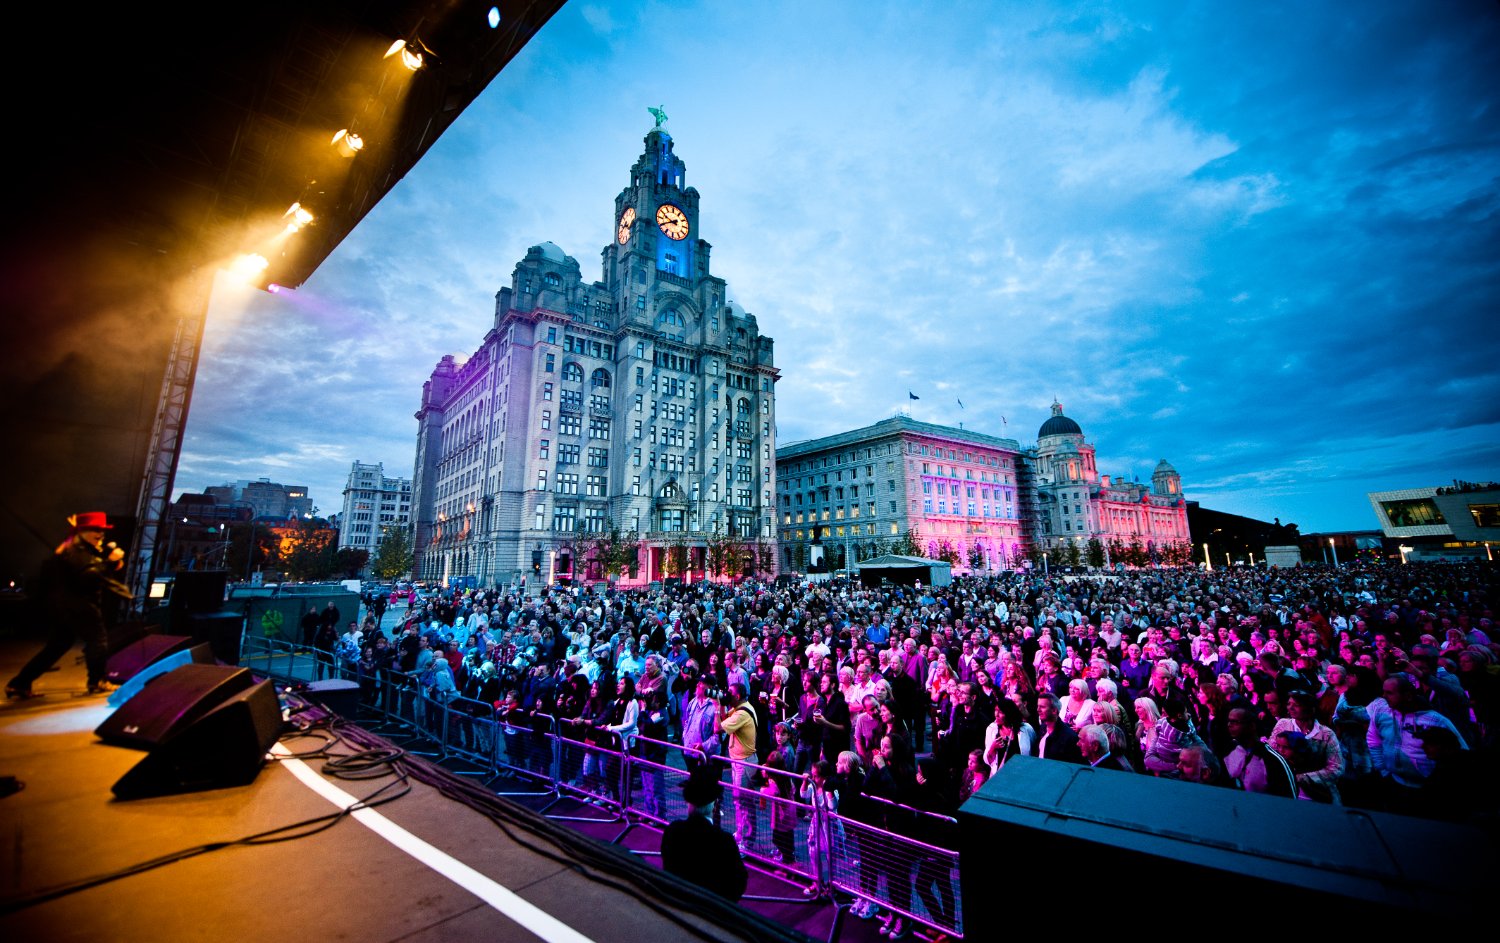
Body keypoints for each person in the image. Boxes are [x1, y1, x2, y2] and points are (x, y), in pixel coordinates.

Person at [8, 512, 132, 698]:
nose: (100, 535)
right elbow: (88, 576)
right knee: (98, 641)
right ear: (81, 531)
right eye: (95, 530)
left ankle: (20, 683)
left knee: (58, 646)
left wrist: (110, 564)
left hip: (67, 607)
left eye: (102, 531)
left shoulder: (74, 549)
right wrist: (110, 563)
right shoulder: (77, 551)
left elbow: (89, 571)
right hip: (81, 607)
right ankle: (97, 681)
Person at [660, 766, 748, 901]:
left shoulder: (673, 832)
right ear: (714, 803)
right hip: (712, 911)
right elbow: (738, 884)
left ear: (687, 800)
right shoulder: (724, 842)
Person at [718, 682, 759, 848]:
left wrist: (716, 706)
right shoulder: (738, 708)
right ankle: (741, 831)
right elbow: (723, 719)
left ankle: (748, 840)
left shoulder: (742, 713)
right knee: (738, 800)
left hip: (744, 762)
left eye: (730, 693)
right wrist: (721, 705)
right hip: (738, 761)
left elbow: (717, 728)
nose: (727, 695)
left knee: (745, 802)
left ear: (737, 696)